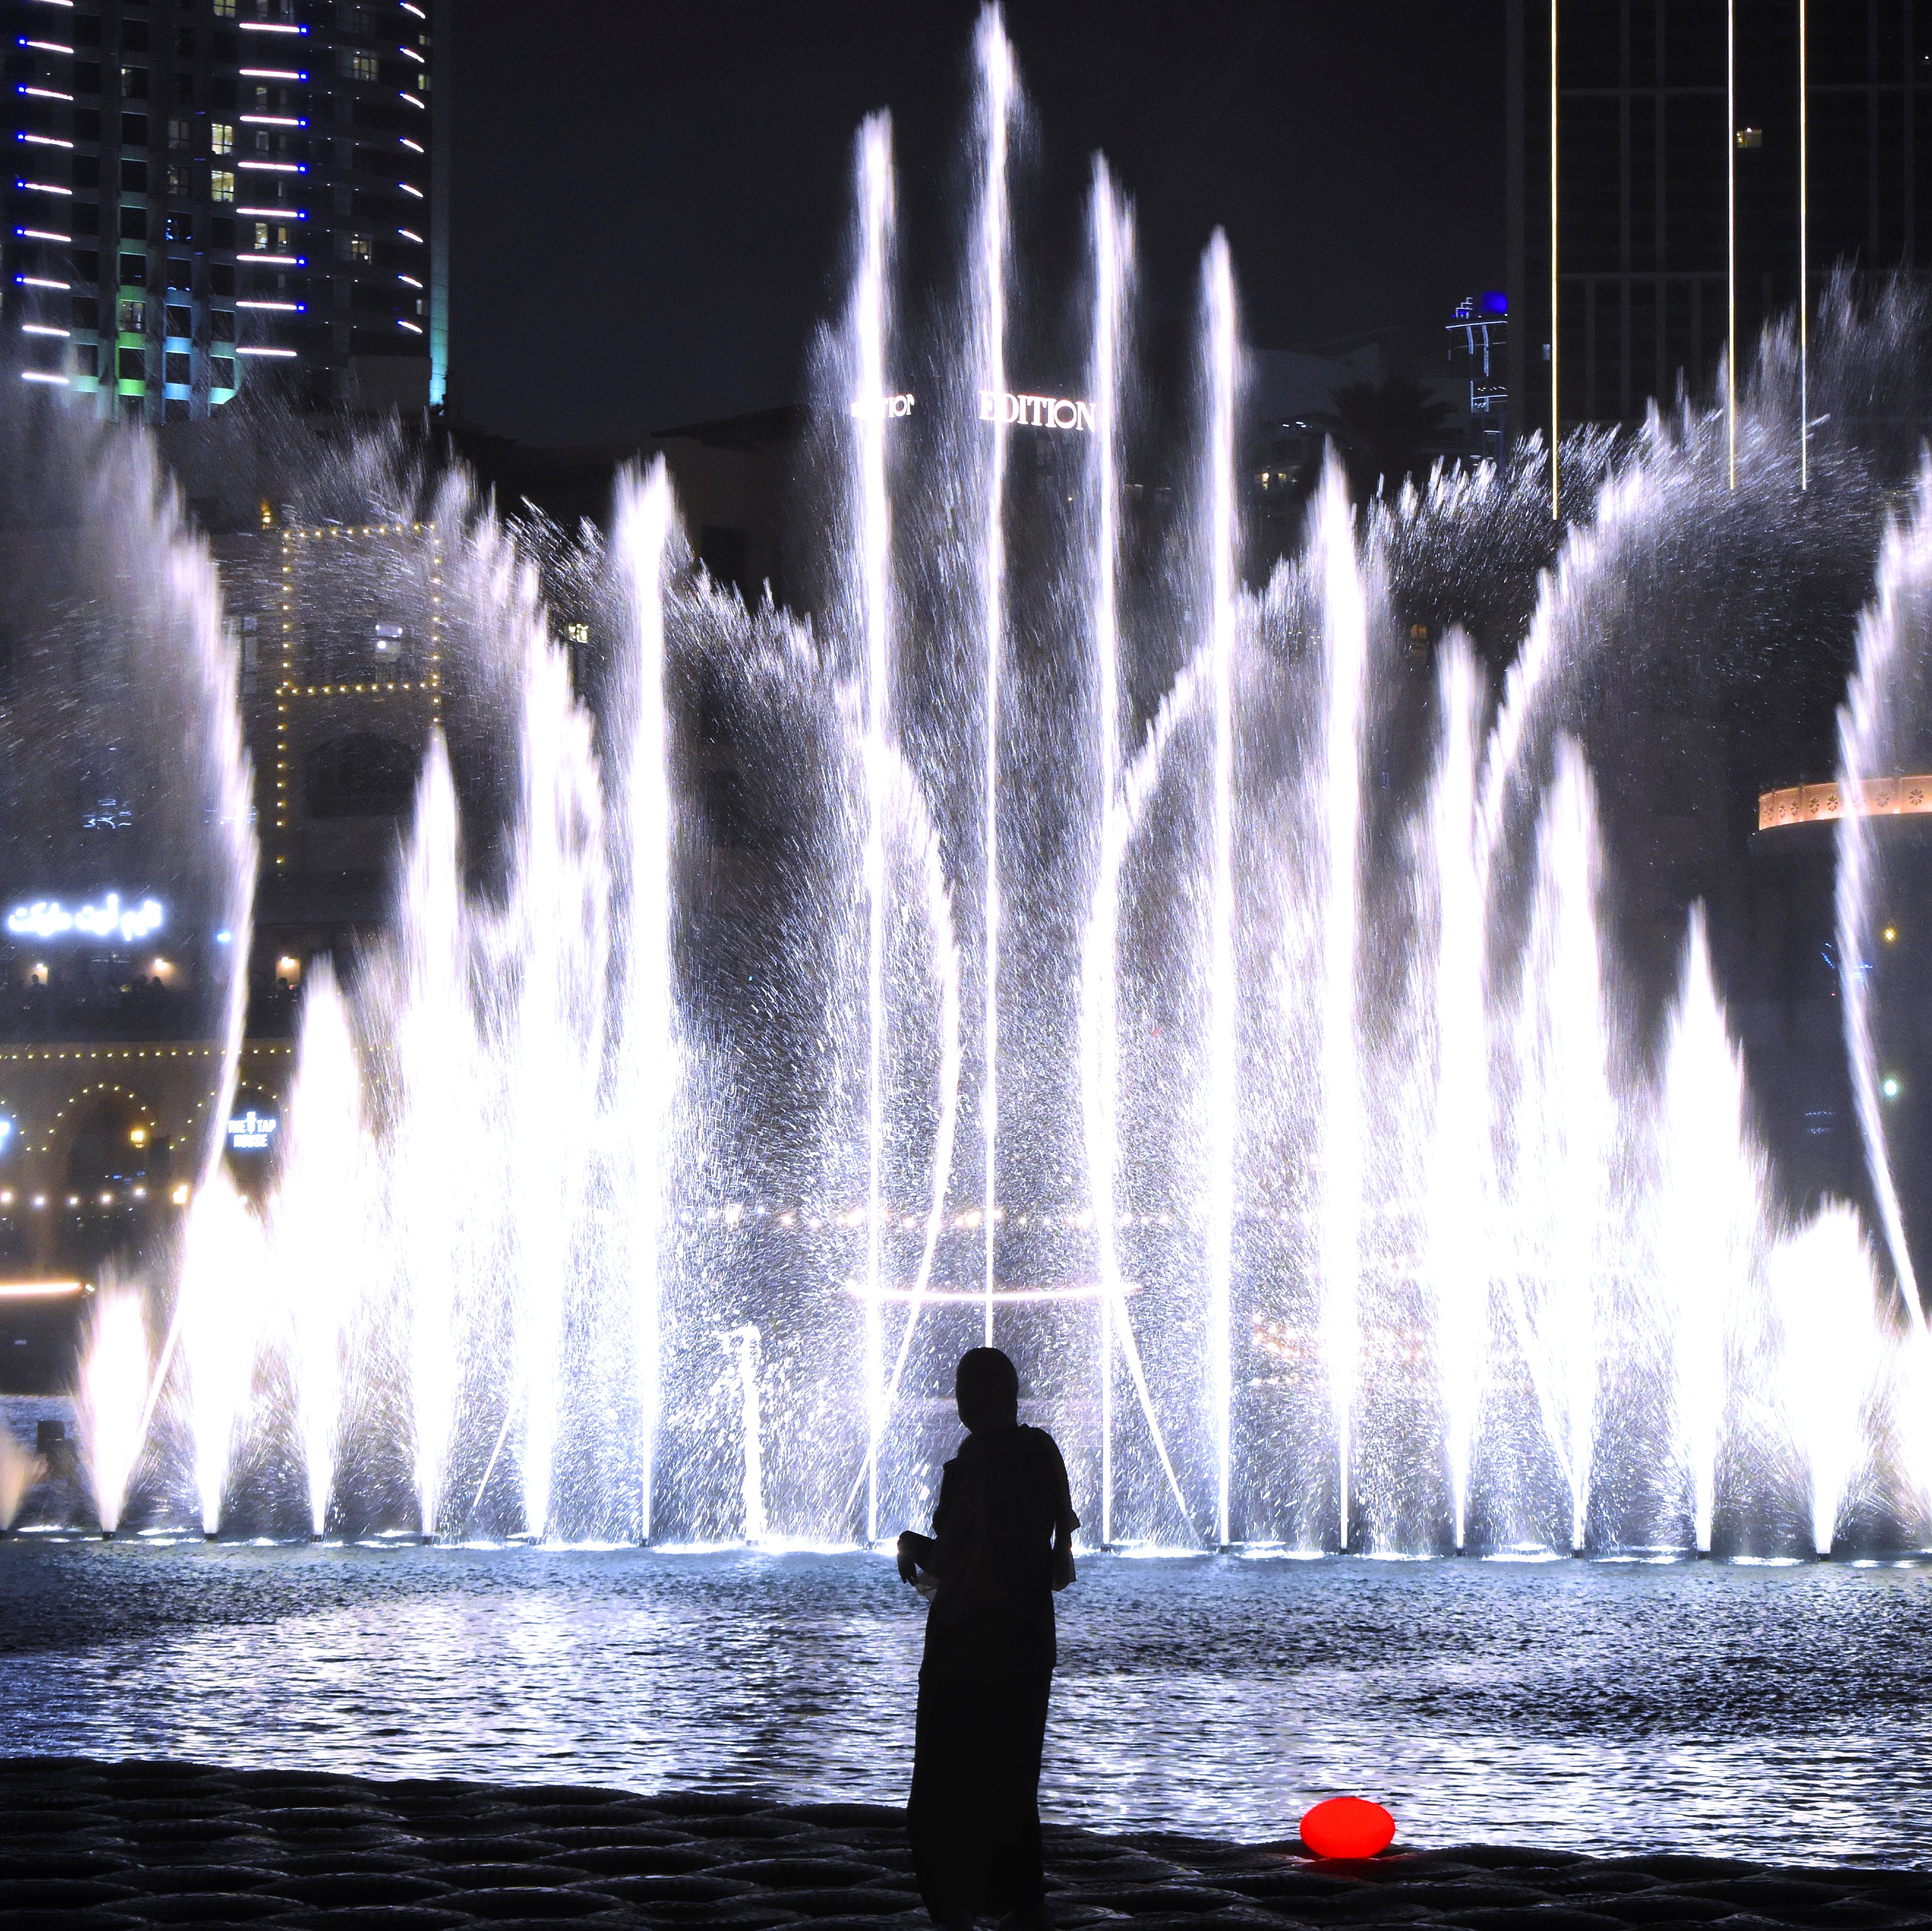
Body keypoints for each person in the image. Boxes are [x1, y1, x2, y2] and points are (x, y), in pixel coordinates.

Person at [896, 1347, 1078, 1931]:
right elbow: (1053, 1556)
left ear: (986, 1396)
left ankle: (956, 1904)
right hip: (1027, 1642)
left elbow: (951, 1558)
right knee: (1012, 1774)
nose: (959, 1401)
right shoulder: (1041, 1452)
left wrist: (909, 1544)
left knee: (948, 1780)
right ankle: (1020, 1899)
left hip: (967, 1646)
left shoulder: (974, 1461)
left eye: (965, 1389)